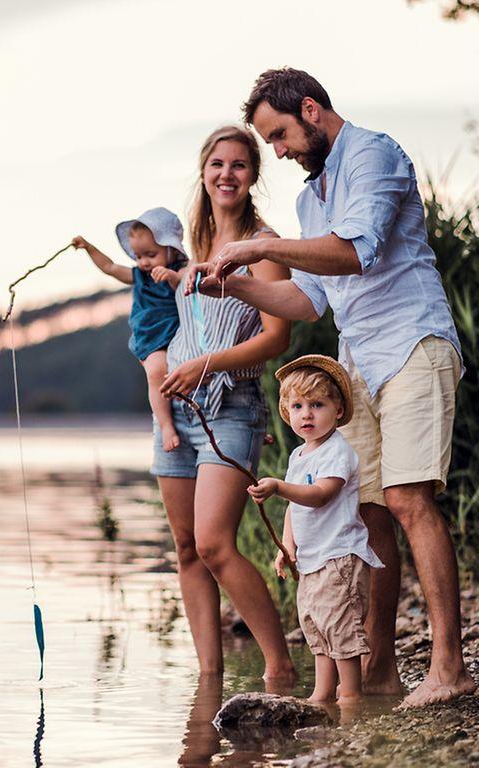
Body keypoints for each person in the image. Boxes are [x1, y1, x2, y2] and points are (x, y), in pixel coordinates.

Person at [191, 68, 475, 706]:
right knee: (366, 512)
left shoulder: (374, 154)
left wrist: (256, 247)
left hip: (412, 344)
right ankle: (377, 673)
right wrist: (232, 283)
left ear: (312, 110)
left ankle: (450, 666)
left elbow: (358, 250)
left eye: (281, 135)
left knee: (407, 499)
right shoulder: (308, 201)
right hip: (357, 363)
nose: (281, 151)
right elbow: (306, 298)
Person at [155, 126, 294, 679]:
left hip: (232, 407)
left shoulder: (264, 246)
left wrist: (206, 364)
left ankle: (279, 666)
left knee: (215, 544)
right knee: (187, 549)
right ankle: (208, 681)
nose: (226, 174)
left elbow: (278, 337)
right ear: (204, 171)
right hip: (177, 411)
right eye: (217, 163)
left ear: (253, 175)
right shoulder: (195, 249)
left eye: (239, 164)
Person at [248, 355, 384, 704]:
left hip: (339, 558)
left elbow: (321, 495)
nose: (306, 413)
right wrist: (287, 545)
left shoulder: (337, 451)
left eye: (317, 404)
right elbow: (296, 509)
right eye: (298, 405)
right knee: (318, 627)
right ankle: (322, 695)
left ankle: (351, 697)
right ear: (287, 412)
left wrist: (278, 486)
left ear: (338, 410)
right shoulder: (298, 456)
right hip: (312, 561)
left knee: (341, 629)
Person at [73, 208, 187, 451]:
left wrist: (171, 277)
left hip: (181, 335)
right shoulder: (139, 275)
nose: (144, 262)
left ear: (172, 249)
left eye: (151, 254)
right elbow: (110, 267)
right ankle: (166, 425)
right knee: (157, 371)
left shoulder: (181, 270)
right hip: (153, 338)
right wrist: (89, 247)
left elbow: (189, 286)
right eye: (138, 256)